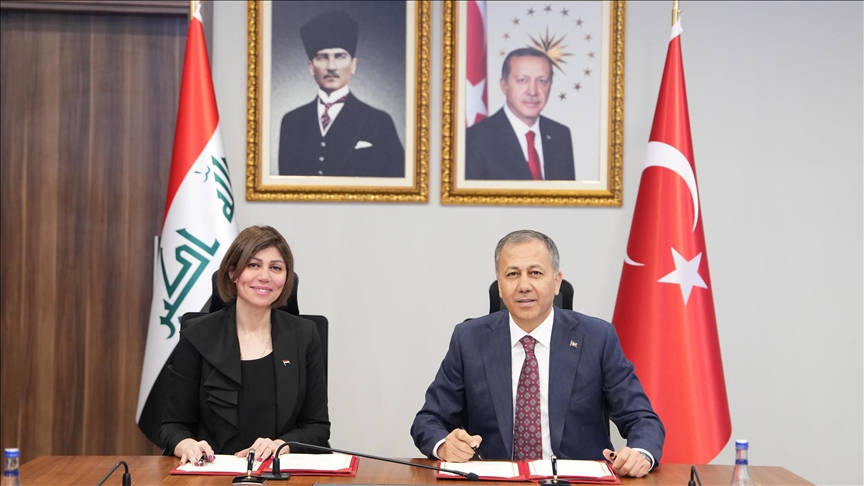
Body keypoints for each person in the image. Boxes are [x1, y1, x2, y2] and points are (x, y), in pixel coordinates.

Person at [410, 230, 664, 478]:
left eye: (535, 273)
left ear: (557, 282)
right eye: (512, 274)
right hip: (496, 482)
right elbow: (428, 420)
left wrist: (640, 453)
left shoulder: (597, 338)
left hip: (576, 482)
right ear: (499, 287)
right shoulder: (469, 340)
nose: (523, 285)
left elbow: (642, 419)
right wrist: (444, 445)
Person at [161, 225, 329, 466]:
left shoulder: (304, 336)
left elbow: (317, 427)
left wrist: (282, 445)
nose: (265, 276)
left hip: (280, 474)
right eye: (253, 265)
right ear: (232, 272)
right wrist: (187, 444)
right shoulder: (197, 336)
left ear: (286, 278)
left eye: (276, 268)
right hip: (213, 472)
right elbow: (173, 426)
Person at [278, 10, 405, 178]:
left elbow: (397, 183)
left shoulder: (379, 122)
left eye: (340, 56)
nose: (331, 66)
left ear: (353, 65)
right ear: (311, 67)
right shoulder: (292, 122)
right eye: (322, 57)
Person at [465, 49, 576, 181]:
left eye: (542, 81)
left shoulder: (560, 135)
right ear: (504, 85)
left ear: (550, 86)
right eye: (523, 80)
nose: (533, 91)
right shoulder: (475, 139)